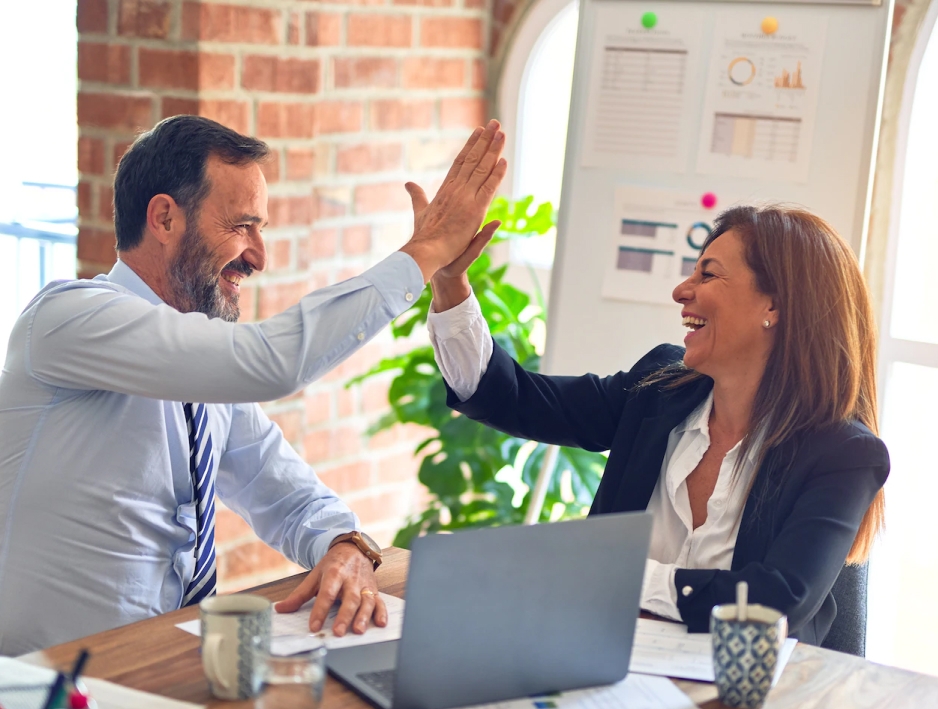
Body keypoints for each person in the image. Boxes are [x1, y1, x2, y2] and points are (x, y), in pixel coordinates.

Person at [0, 114, 506, 655]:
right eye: (242, 226)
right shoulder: (68, 318)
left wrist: (345, 542)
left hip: (166, 670)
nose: (259, 257)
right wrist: (425, 252)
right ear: (165, 218)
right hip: (43, 692)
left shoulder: (203, 372)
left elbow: (285, 493)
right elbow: (271, 362)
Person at [425, 205, 889, 645]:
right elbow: (515, 398)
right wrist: (450, 282)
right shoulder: (659, 389)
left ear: (775, 306)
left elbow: (774, 603)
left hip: (749, 703)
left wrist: (617, 574)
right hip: (605, 666)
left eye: (707, 274)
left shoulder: (843, 454)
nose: (681, 291)